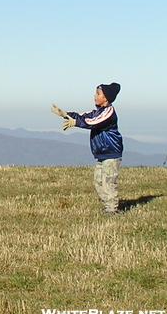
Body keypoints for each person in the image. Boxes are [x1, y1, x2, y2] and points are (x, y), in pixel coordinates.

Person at [52, 82, 122, 215]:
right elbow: (84, 116)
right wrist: (65, 114)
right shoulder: (97, 111)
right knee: (98, 181)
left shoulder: (108, 112)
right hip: (102, 153)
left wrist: (76, 123)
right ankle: (108, 205)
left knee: (108, 182)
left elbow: (94, 123)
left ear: (106, 98)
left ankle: (112, 209)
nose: (94, 96)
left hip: (111, 152)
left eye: (98, 94)